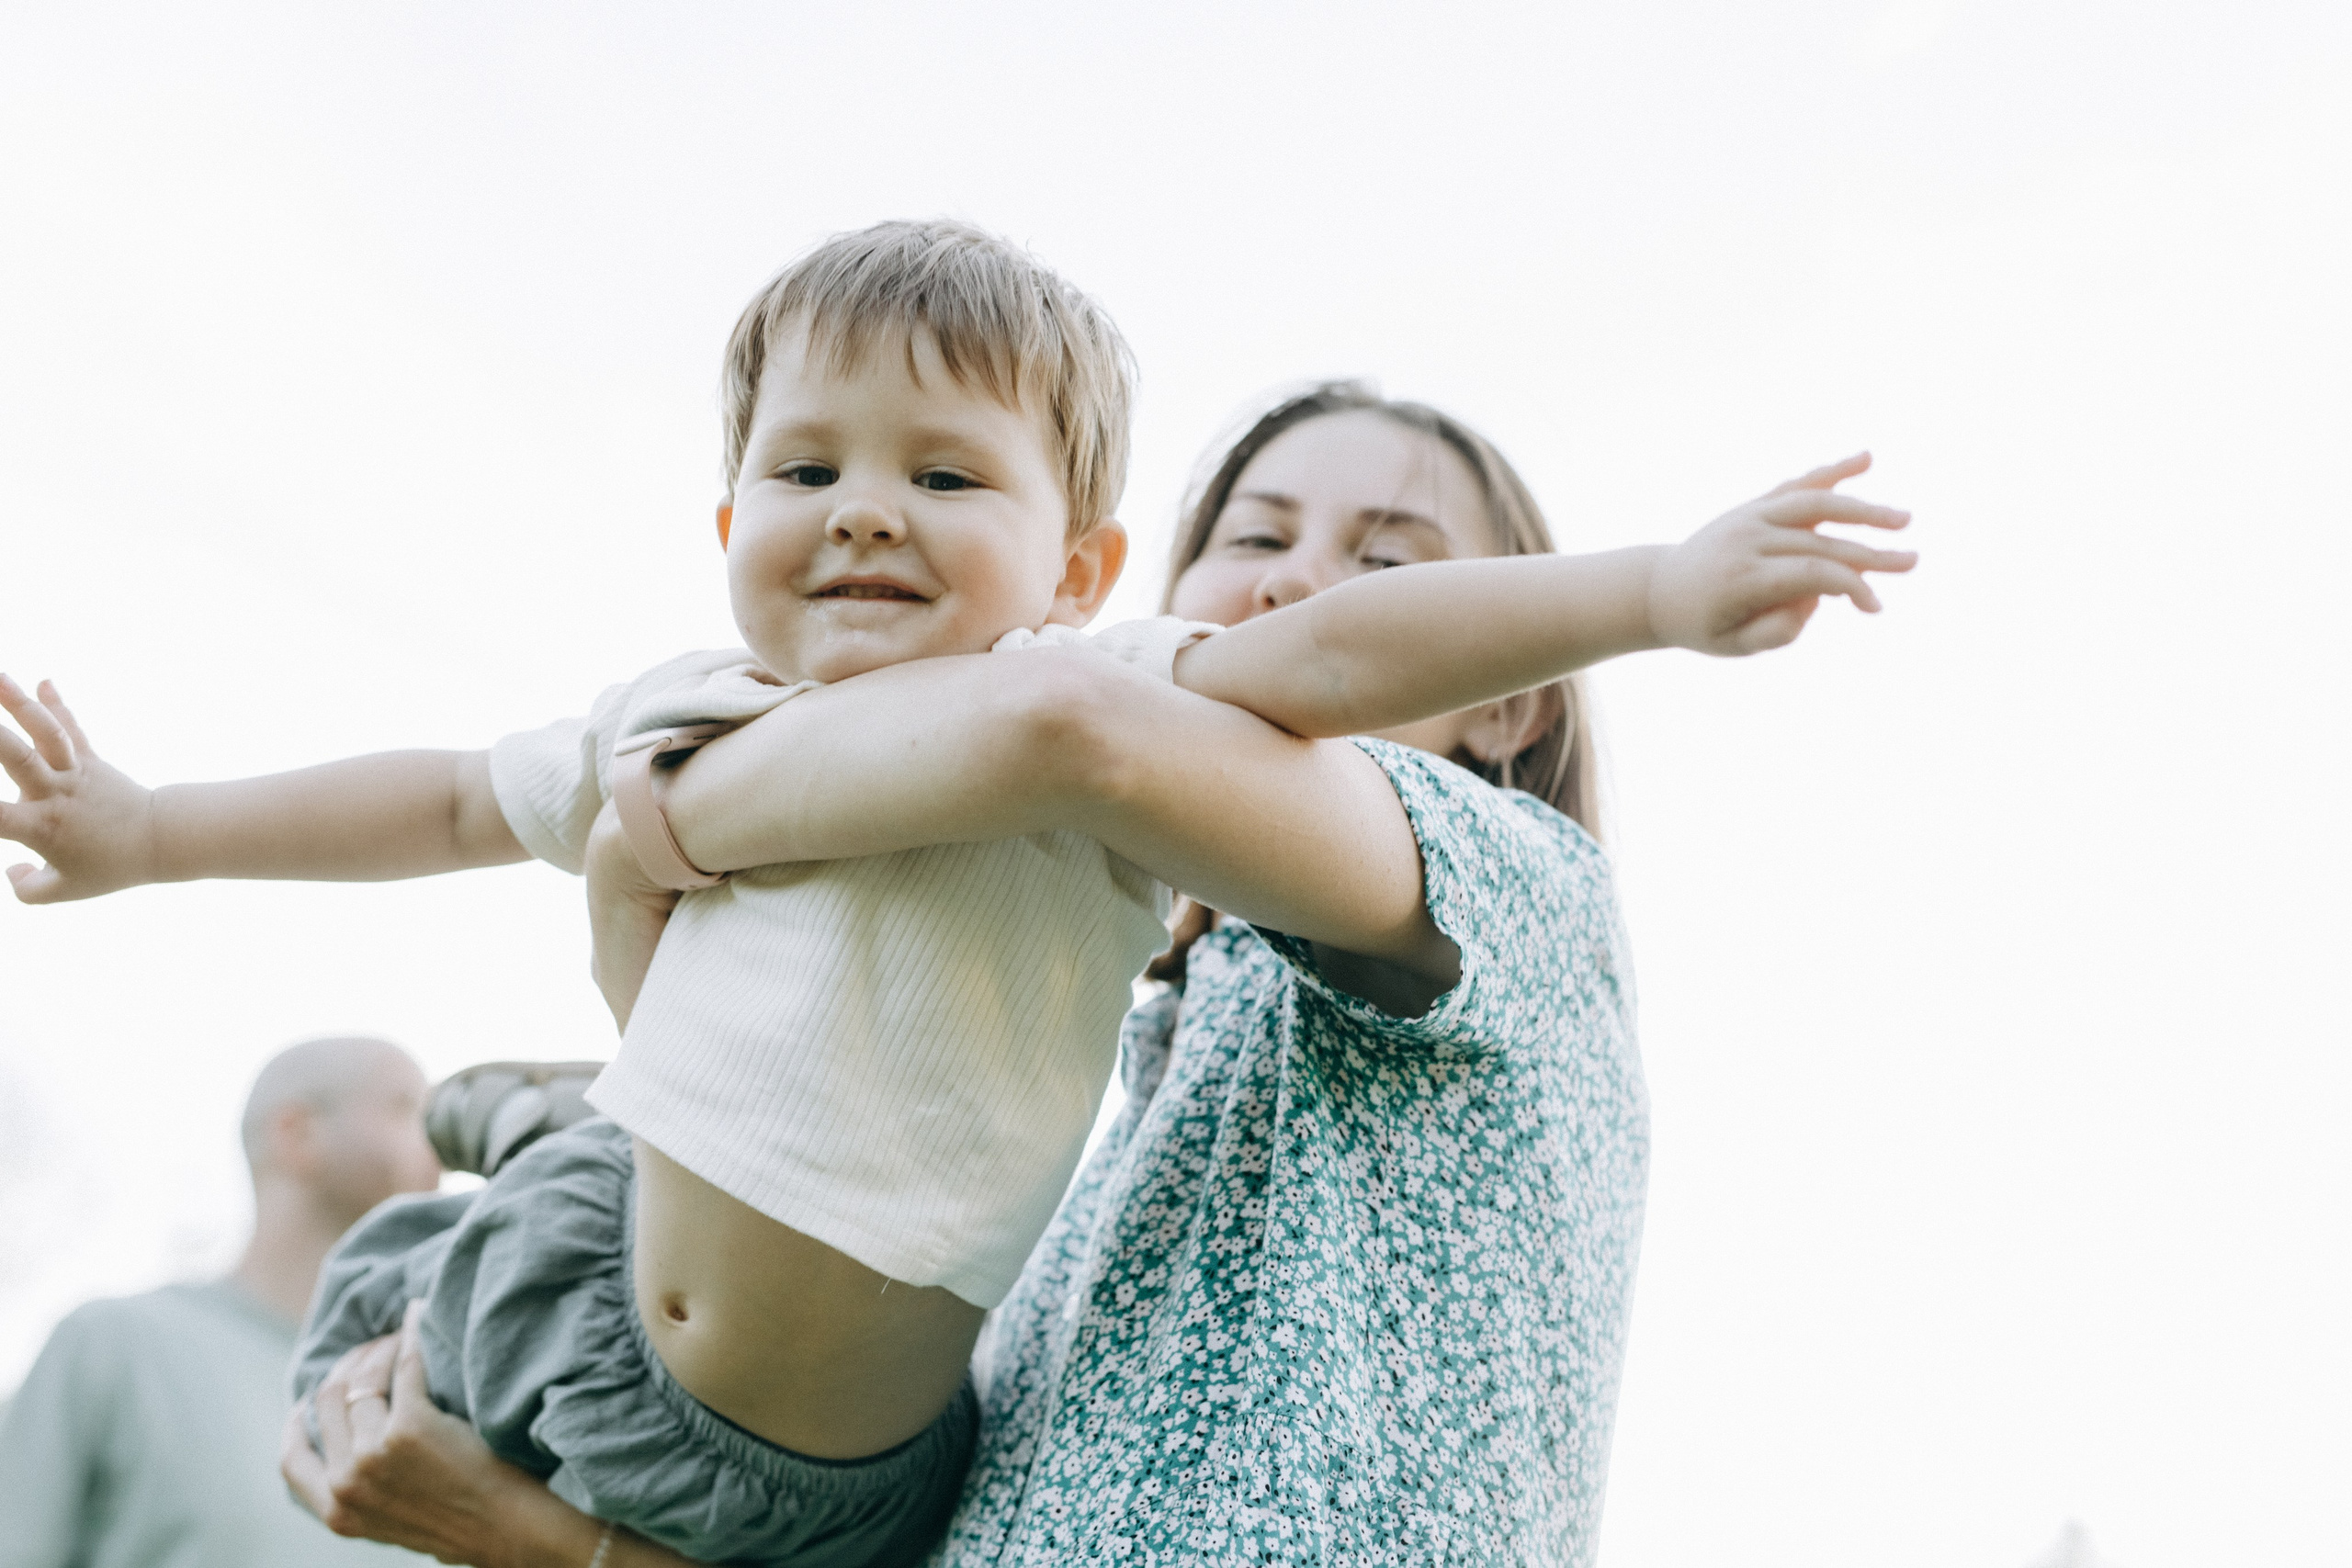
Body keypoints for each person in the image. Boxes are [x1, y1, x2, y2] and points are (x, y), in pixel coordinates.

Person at [2, 222, 1913, 1560]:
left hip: (767, 1413)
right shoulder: (1121, 1076)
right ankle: (552, 1127)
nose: (1298, 581)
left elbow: (1122, 718)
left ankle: (543, 1126)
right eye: (1254, 532)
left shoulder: (1481, 883)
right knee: (476, 1249)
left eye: (1389, 558)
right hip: (649, 1295)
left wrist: (1656, 589)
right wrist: (151, 828)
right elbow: (436, 797)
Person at [0, 1035, 441, 1568]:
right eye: (405, 1109)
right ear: (297, 1133)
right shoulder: (112, 1344)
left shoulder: (437, 1385)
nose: (443, 1146)